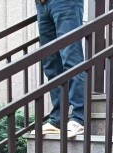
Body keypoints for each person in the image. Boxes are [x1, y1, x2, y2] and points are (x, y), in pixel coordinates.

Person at [36, 0, 86, 138]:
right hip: (42, 4)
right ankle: (58, 119)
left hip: (65, 3)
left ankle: (78, 117)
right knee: (50, 63)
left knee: (71, 58)